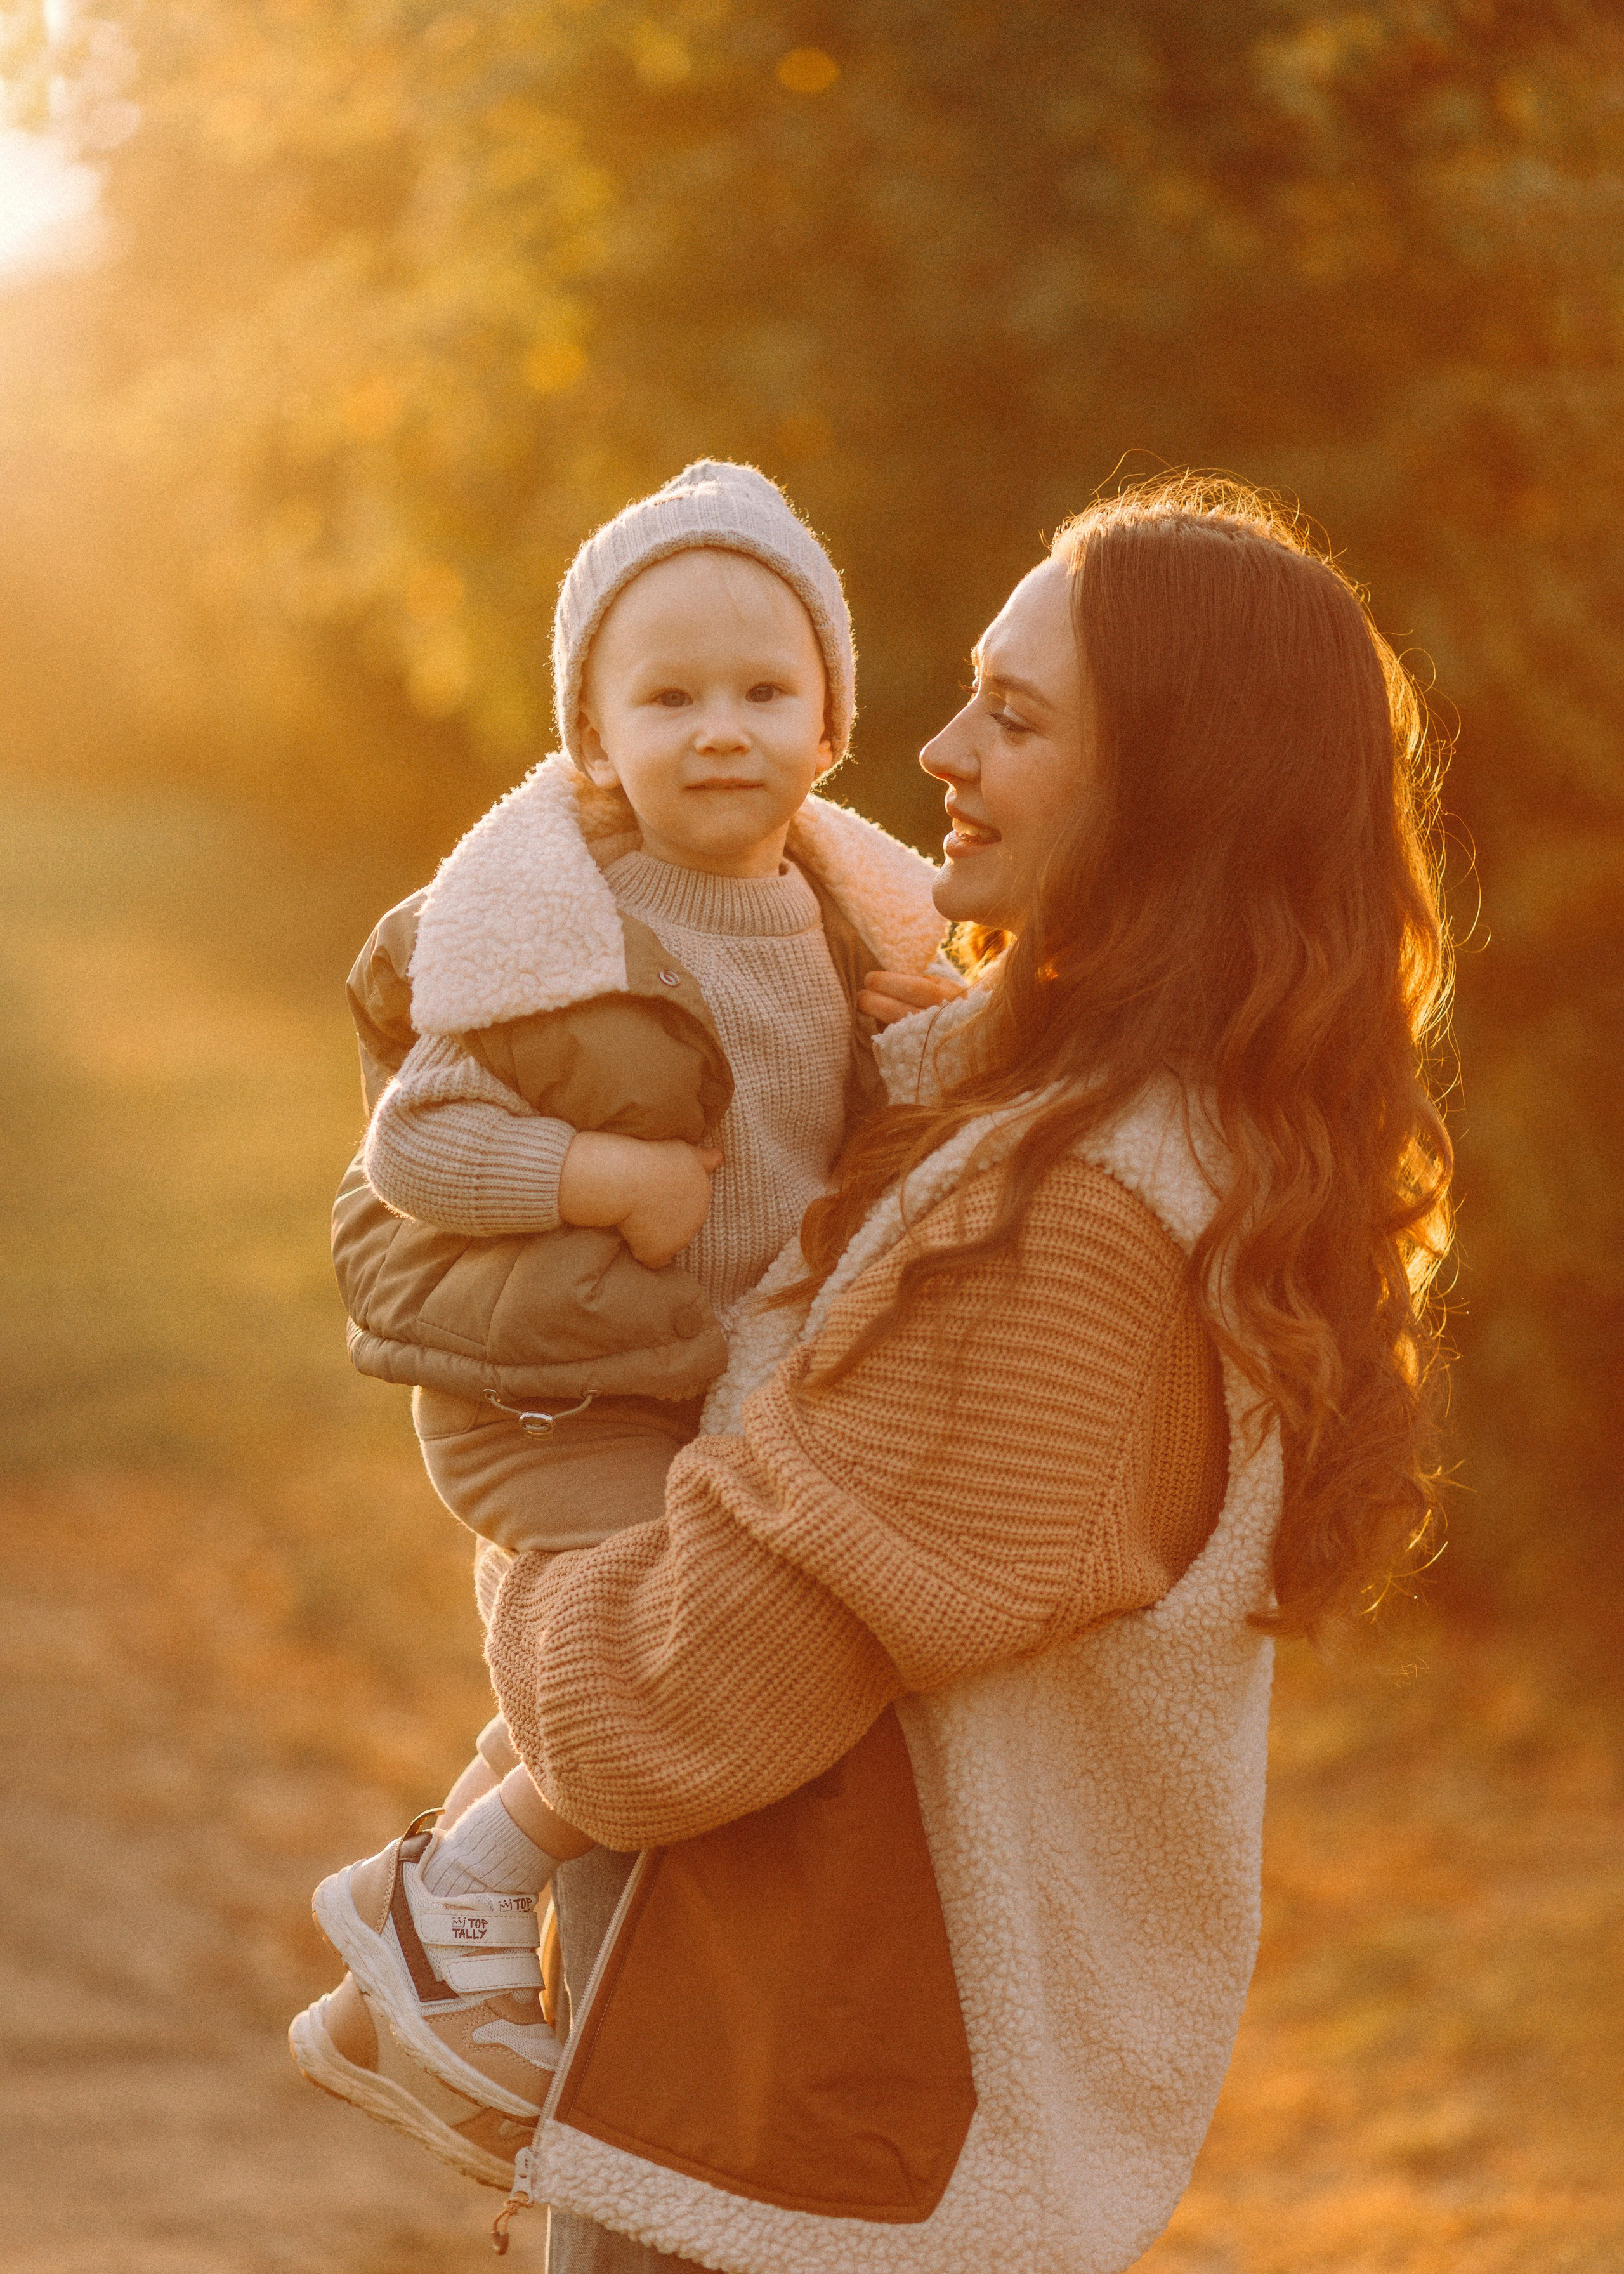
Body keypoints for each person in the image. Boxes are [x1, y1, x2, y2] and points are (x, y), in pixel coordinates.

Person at [476, 473, 1455, 2273]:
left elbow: (645, 1721)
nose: (933, 748)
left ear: (1177, 792)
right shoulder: (1040, 1125)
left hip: (829, 2173)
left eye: (1012, 718)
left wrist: (517, 1452)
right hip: (795, 2125)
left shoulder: (1079, 1221)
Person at [286, 461, 945, 2180]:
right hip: (558, 1392)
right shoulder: (554, 920)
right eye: (667, 697)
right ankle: (458, 1904)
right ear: (594, 731)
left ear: (829, 727)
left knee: (693, 1646)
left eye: (760, 692)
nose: (717, 729)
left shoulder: (849, 918)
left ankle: (407, 1955)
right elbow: (415, 1144)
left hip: (721, 1379)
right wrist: (590, 1171)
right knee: (689, 1650)